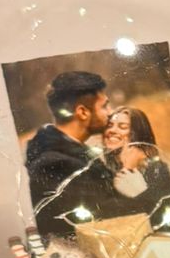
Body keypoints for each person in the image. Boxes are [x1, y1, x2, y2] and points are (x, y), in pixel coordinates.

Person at [25, 69, 123, 240]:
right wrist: (139, 193)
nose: (110, 112)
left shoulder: (64, 151)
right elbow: (109, 221)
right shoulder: (59, 165)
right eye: (104, 106)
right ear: (83, 112)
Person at [102, 105, 170, 230]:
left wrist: (139, 192)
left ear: (137, 134)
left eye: (122, 127)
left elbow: (166, 222)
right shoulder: (105, 171)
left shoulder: (156, 170)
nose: (112, 130)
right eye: (109, 125)